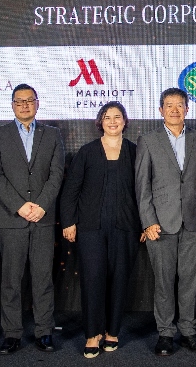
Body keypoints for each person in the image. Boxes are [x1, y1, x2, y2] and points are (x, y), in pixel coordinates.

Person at [0, 84, 65, 355]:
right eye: (19, 102)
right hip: (11, 218)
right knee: (10, 279)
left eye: (29, 100)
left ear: (37, 103)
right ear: (12, 105)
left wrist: (41, 205)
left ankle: (44, 331)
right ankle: (12, 333)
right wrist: (20, 206)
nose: (25, 105)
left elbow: (56, 174)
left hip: (42, 218)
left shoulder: (52, 135)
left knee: (43, 278)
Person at [60, 102, 142, 359]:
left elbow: (144, 192)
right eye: (108, 117)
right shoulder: (87, 152)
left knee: (120, 279)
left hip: (126, 227)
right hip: (90, 227)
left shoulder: (135, 152)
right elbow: (71, 190)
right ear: (100, 122)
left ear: (125, 121)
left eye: (118, 117)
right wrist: (68, 222)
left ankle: (113, 332)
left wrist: (144, 223)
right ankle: (92, 333)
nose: (113, 121)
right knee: (92, 279)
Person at [135, 88, 196, 356]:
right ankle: (165, 333)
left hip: (192, 222)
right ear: (160, 111)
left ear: (187, 109)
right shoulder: (148, 140)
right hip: (160, 225)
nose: (175, 110)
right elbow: (142, 186)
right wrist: (148, 221)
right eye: (169, 106)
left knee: (190, 280)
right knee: (164, 282)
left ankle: (189, 331)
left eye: (180, 105)